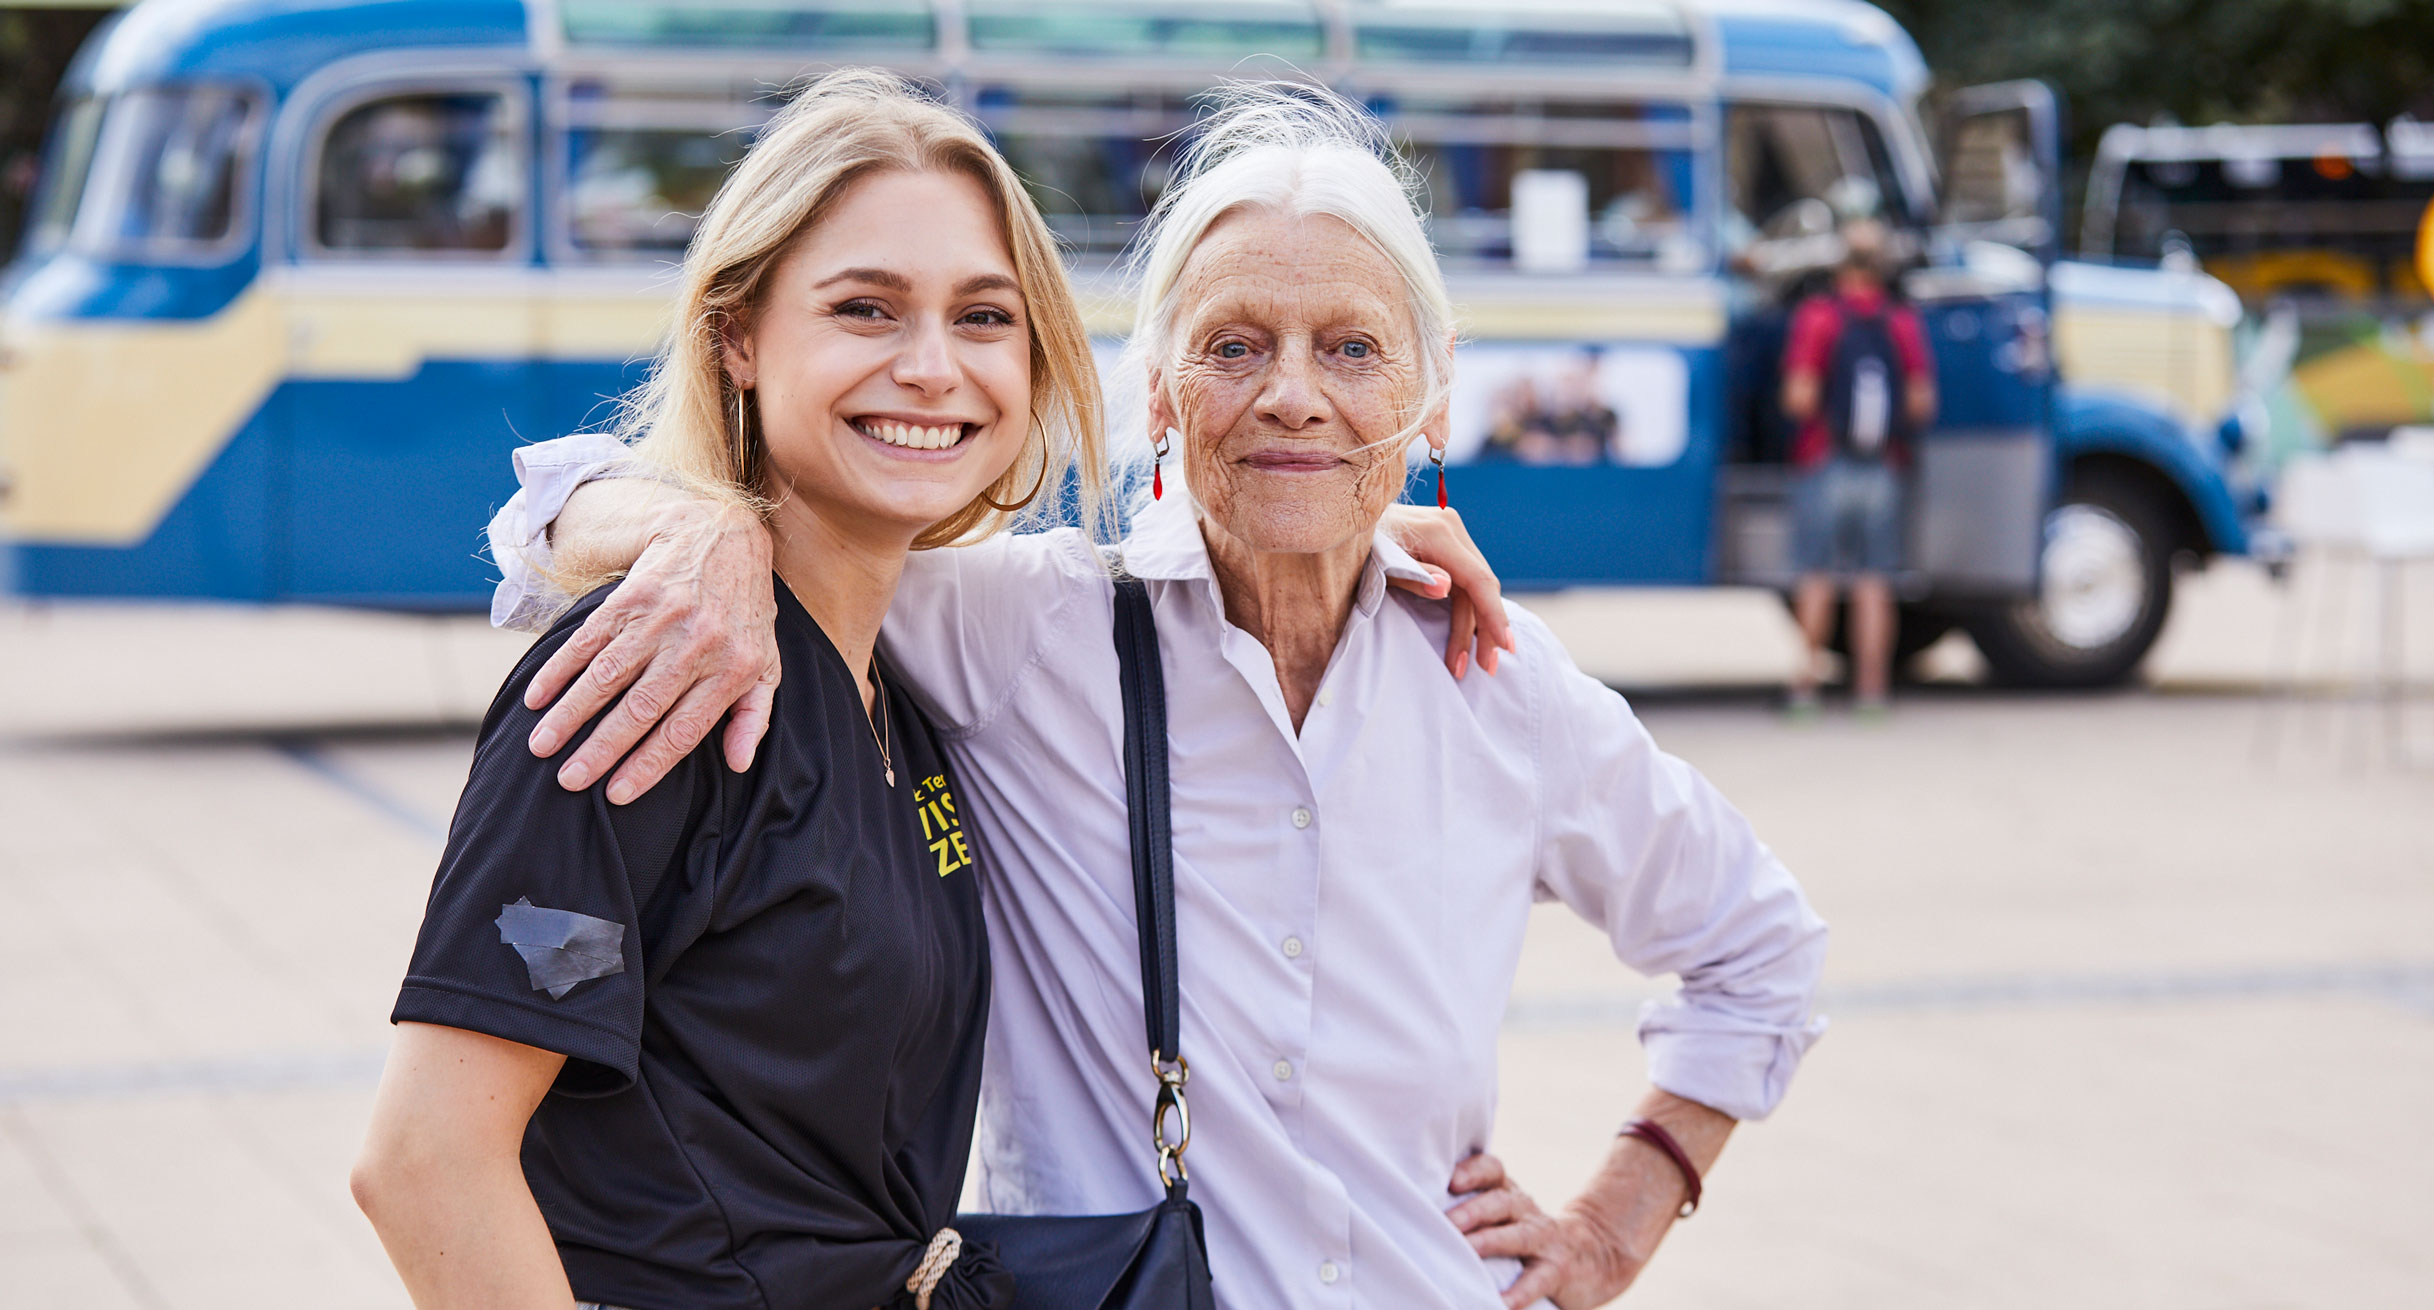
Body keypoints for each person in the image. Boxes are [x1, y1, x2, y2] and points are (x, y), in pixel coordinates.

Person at [495, 85, 1827, 1310]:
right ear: (1159, 392)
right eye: (1234, 344)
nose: (1292, 395)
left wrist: (1614, 1216)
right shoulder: (1029, 627)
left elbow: (1759, 948)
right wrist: (703, 532)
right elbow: (541, 515)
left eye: (1352, 349)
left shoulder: (1496, 681)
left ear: (1428, 401)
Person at [349, 71, 1113, 1310]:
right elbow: (426, 1161)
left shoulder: (901, 685)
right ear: (738, 338)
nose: (932, 367)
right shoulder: (653, 676)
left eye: (985, 318)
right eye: (865, 308)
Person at [1778, 218, 1937, 717]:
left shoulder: (1818, 317)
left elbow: (1799, 396)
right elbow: (1920, 402)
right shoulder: (1901, 321)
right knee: (1874, 581)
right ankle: (1871, 691)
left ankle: (1806, 684)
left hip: (1823, 459)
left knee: (1817, 576)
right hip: (1882, 465)